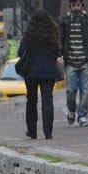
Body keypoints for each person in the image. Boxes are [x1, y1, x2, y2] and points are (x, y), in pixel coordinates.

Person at [19, 9, 62, 140]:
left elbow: (21, 52)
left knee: (31, 100)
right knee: (47, 100)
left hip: (31, 72)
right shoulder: (52, 34)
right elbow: (58, 52)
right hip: (49, 72)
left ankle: (32, 131)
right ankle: (48, 132)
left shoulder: (29, 35)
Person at [60, 0, 88, 127]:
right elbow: (60, 39)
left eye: (78, 5)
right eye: (73, 6)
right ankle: (72, 111)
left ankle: (82, 116)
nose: (76, 8)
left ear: (82, 6)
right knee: (70, 91)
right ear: (70, 6)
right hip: (71, 62)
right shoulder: (64, 21)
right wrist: (59, 54)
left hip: (86, 61)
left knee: (85, 91)